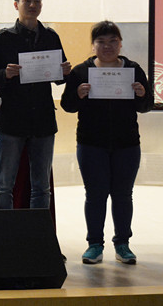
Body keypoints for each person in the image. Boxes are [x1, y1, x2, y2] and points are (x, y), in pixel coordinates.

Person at [61, 21, 152, 265]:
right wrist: (78, 94)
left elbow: (145, 106)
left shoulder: (133, 69)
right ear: (93, 46)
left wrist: (142, 94)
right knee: (95, 195)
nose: (107, 46)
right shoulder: (82, 71)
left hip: (127, 144)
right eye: (101, 41)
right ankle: (94, 245)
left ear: (120, 44)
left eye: (113, 41)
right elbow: (68, 105)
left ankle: (123, 244)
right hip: (91, 143)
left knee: (123, 195)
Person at [0, 0, 71, 210]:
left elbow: (59, 77)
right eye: (27, 0)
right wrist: (5, 74)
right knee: (4, 184)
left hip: (42, 119)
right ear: (16, 4)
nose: (33, 5)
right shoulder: (4, 38)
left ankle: (37, 231)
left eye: (37, 0)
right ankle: (5, 230)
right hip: (12, 119)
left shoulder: (50, 36)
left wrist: (64, 72)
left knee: (42, 186)